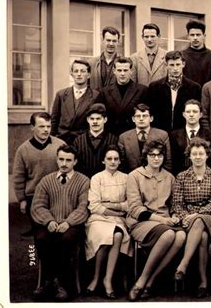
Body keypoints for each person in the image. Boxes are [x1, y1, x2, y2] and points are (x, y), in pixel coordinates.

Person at [125, 140, 186, 301]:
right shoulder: (135, 176)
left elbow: (175, 205)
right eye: (152, 155)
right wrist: (162, 220)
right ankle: (141, 282)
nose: (156, 158)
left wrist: (174, 216)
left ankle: (150, 282)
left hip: (165, 222)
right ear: (146, 156)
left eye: (159, 155)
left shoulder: (170, 177)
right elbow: (135, 209)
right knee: (168, 235)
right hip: (142, 222)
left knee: (180, 236)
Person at [31, 144, 90, 301]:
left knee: (66, 239)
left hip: (72, 225)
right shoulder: (46, 181)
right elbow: (38, 206)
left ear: (75, 162)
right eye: (61, 159)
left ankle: (59, 283)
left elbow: (84, 207)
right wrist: (48, 220)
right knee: (42, 238)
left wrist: (69, 222)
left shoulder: (83, 181)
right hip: (50, 223)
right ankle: (50, 281)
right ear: (57, 160)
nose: (64, 163)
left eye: (68, 160)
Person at [173, 138, 211, 298]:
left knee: (201, 221)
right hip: (188, 219)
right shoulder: (181, 177)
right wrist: (185, 217)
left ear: (207, 155)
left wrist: (197, 214)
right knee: (202, 236)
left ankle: (184, 264)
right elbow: (177, 203)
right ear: (189, 156)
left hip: (209, 217)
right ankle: (203, 282)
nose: (197, 157)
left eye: (201, 153)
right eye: (194, 154)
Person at [85, 145, 132, 299]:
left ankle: (108, 280)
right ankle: (96, 277)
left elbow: (128, 205)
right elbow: (94, 205)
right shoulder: (97, 178)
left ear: (120, 161)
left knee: (117, 234)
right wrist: (116, 209)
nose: (112, 162)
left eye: (116, 159)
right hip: (98, 219)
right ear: (103, 161)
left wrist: (110, 205)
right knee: (106, 238)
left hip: (119, 219)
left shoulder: (126, 178)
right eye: (109, 159)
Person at [13, 112, 66, 237]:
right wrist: (22, 200)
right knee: (41, 235)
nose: (46, 130)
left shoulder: (61, 145)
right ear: (32, 127)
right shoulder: (23, 150)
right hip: (34, 196)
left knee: (58, 233)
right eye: (42, 126)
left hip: (58, 194)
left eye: (48, 126)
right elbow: (19, 177)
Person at [146, 50, 202, 132]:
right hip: (160, 132)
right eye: (172, 65)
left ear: (183, 64)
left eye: (178, 64)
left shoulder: (194, 88)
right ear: (166, 65)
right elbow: (151, 112)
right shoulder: (154, 87)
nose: (175, 68)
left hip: (183, 133)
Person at [51, 60, 101, 144]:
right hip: (62, 140)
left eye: (82, 71)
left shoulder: (96, 96)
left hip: (84, 141)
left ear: (89, 75)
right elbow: (54, 119)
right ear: (72, 74)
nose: (79, 74)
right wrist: (52, 140)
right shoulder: (61, 94)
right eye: (76, 71)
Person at [100, 57, 148, 135]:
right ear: (114, 71)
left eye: (125, 70)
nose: (122, 74)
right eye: (119, 70)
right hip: (111, 134)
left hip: (133, 134)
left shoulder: (142, 90)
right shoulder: (105, 91)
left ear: (131, 71)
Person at [118, 103, 172, 173]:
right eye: (138, 116)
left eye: (145, 116)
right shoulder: (123, 137)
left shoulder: (162, 135)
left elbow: (168, 162)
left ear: (151, 118)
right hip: (131, 178)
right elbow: (121, 164)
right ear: (133, 119)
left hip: (156, 178)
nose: (141, 119)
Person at [73, 103, 119, 178]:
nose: (95, 122)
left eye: (98, 119)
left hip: (107, 181)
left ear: (105, 120)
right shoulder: (78, 141)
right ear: (87, 120)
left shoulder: (113, 140)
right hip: (84, 181)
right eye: (92, 119)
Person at [170, 99, 211, 175]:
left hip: (204, 176)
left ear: (201, 115)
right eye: (188, 112)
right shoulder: (174, 135)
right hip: (181, 176)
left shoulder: (210, 135)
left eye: (195, 112)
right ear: (184, 114)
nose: (191, 114)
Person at [182, 19, 211, 86]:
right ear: (188, 37)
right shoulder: (182, 56)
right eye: (192, 35)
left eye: (198, 35)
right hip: (188, 95)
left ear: (204, 36)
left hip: (207, 95)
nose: (195, 38)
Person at [88, 26, 121, 91]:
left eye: (114, 41)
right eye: (108, 40)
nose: (111, 44)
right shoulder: (91, 63)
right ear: (103, 40)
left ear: (118, 42)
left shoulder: (124, 63)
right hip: (96, 100)